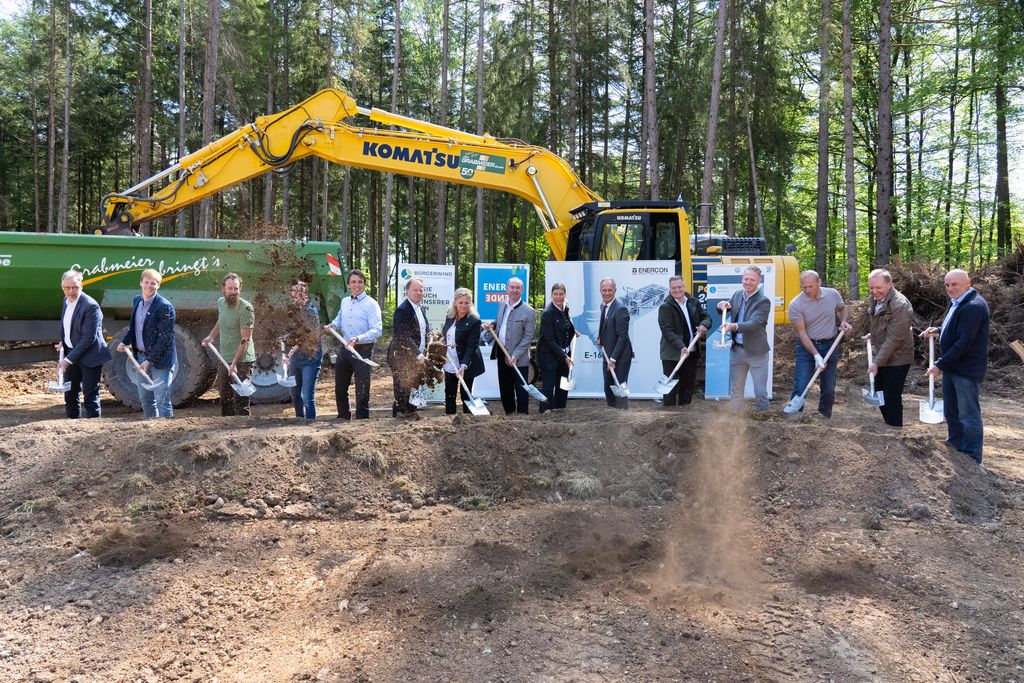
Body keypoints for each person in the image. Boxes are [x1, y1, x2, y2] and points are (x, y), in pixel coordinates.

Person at [922, 269, 989, 464]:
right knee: (951, 411)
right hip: (954, 368)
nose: (950, 288)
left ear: (968, 283)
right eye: (947, 285)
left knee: (968, 414)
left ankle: (972, 457)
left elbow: (964, 341)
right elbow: (959, 328)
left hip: (966, 370)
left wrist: (939, 364)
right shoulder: (959, 303)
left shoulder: (974, 306)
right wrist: (940, 329)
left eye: (954, 284)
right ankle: (955, 446)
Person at [787, 270, 853, 418]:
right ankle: (794, 418)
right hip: (807, 347)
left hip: (830, 344)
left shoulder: (832, 294)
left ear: (819, 282)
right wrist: (816, 355)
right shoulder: (796, 304)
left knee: (829, 387)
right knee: (801, 384)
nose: (807, 290)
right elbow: (802, 334)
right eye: (803, 287)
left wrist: (843, 321)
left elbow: (842, 308)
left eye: (810, 286)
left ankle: (824, 418)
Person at [116, 268, 177, 418]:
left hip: (161, 359)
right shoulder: (137, 300)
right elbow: (135, 327)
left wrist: (150, 360)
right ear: (141, 283)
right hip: (141, 357)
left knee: (162, 399)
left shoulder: (164, 306)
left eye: (154, 283)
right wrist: (124, 342)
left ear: (158, 286)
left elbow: (165, 338)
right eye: (147, 282)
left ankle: (166, 432)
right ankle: (151, 430)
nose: (150, 286)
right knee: (145, 399)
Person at [324, 269, 382, 420]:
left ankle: (362, 421)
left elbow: (377, 330)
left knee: (362, 389)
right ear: (349, 285)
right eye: (353, 282)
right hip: (345, 349)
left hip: (363, 351)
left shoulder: (371, 304)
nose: (357, 285)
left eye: (360, 282)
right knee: (340, 387)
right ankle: (343, 417)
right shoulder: (345, 301)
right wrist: (333, 325)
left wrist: (358, 338)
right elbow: (340, 318)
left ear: (364, 284)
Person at [57, 269, 112, 418]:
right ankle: (73, 428)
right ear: (62, 287)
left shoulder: (90, 306)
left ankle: (93, 431)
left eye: (75, 287)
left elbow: (88, 338)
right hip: (72, 352)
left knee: (90, 396)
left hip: (90, 356)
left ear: (81, 285)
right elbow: (69, 325)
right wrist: (65, 341)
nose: (71, 291)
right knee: (70, 394)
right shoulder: (66, 301)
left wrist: (67, 360)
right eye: (67, 288)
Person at [863, 268, 914, 427]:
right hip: (883, 353)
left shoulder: (899, 305)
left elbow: (894, 338)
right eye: (871, 288)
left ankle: (895, 431)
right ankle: (889, 425)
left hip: (899, 356)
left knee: (892, 396)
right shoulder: (875, 300)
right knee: (879, 392)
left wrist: (876, 363)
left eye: (878, 287)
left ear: (889, 285)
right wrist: (874, 334)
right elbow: (881, 324)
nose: (874, 291)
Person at [717, 265, 771, 412]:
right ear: (742, 279)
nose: (748, 282)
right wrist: (721, 305)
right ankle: (735, 420)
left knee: (760, 391)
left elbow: (754, 324)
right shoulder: (737, 294)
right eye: (746, 279)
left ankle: (765, 420)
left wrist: (733, 326)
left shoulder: (763, 301)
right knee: (736, 390)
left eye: (752, 280)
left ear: (758, 281)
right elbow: (727, 306)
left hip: (757, 352)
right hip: (737, 351)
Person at [202, 273, 255, 417]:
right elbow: (221, 321)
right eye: (230, 288)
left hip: (243, 359)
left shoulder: (246, 309)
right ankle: (226, 432)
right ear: (223, 289)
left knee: (240, 400)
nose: (233, 292)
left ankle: (243, 431)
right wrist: (211, 336)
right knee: (225, 399)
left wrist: (235, 363)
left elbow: (245, 339)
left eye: (236, 289)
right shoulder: (221, 302)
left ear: (240, 289)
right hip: (224, 357)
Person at [657, 275, 710, 407]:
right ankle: (668, 416)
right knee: (670, 389)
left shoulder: (693, 302)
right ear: (669, 289)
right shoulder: (665, 307)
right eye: (673, 288)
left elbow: (706, 317)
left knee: (687, 386)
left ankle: (684, 414)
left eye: (679, 287)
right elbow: (668, 331)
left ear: (684, 286)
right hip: (673, 354)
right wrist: (681, 346)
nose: (677, 290)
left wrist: (704, 324)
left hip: (691, 353)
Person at [485, 277, 535, 415]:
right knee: (505, 386)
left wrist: (516, 354)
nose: (514, 290)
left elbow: (528, 337)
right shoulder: (502, 304)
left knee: (521, 387)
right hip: (502, 352)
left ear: (522, 290)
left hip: (519, 357)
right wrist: (492, 325)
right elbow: (499, 323)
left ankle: (523, 415)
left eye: (517, 287)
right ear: (507, 289)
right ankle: (509, 413)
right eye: (512, 287)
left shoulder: (528, 311)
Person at [388, 277, 430, 417]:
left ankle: (410, 413)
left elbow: (424, 329)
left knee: (413, 387)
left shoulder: (421, 308)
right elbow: (403, 336)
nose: (418, 292)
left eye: (421, 290)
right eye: (415, 290)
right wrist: (418, 354)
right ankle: (400, 416)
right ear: (407, 291)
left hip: (417, 357)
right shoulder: (402, 310)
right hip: (402, 357)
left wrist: (432, 336)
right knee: (402, 388)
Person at [440, 288, 485, 414]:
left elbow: (472, 346)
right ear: (455, 303)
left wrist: (464, 365)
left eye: (467, 303)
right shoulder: (450, 316)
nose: (464, 306)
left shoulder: (474, 321)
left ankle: (467, 421)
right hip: (451, 360)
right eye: (461, 303)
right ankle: (450, 417)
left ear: (470, 304)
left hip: (467, 361)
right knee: (449, 392)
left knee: (466, 392)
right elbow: (446, 334)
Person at [538, 282, 579, 412]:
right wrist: (564, 357)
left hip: (564, 354)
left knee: (562, 385)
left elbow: (566, 325)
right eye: (555, 294)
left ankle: (560, 411)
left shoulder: (565, 308)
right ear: (551, 295)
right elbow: (549, 339)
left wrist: (573, 332)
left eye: (561, 294)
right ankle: (545, 412)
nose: (558, 297)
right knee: (548, 387)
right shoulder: (547, 313)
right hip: (549, 356)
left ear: (565, 295)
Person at [285, 281, 323, 421]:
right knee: (294, 393)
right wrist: (285, 337)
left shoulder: (311, 312)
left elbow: (310, 336)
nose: (295, 295)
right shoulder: (294, 311)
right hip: (296, 359)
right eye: (293, 292)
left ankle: (310, 424)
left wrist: (290, 352)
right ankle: (299, 419)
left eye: (298, 292)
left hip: (310, 358)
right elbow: (296, 332)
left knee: (307, 397)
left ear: (305, 294)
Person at [596, 277, 632, 410]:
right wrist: (601, 338)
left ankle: (622, 417)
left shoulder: (620, 309)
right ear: (600, 291)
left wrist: (613, 359)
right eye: (604, 290)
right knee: (608, 387)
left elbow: (622, 337)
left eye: (610, 290)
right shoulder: (603, 306)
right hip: (608, 353)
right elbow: (606, 327)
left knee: (620, 387)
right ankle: (612, 415)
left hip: (620, 356)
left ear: (615, 291)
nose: (607, 293)